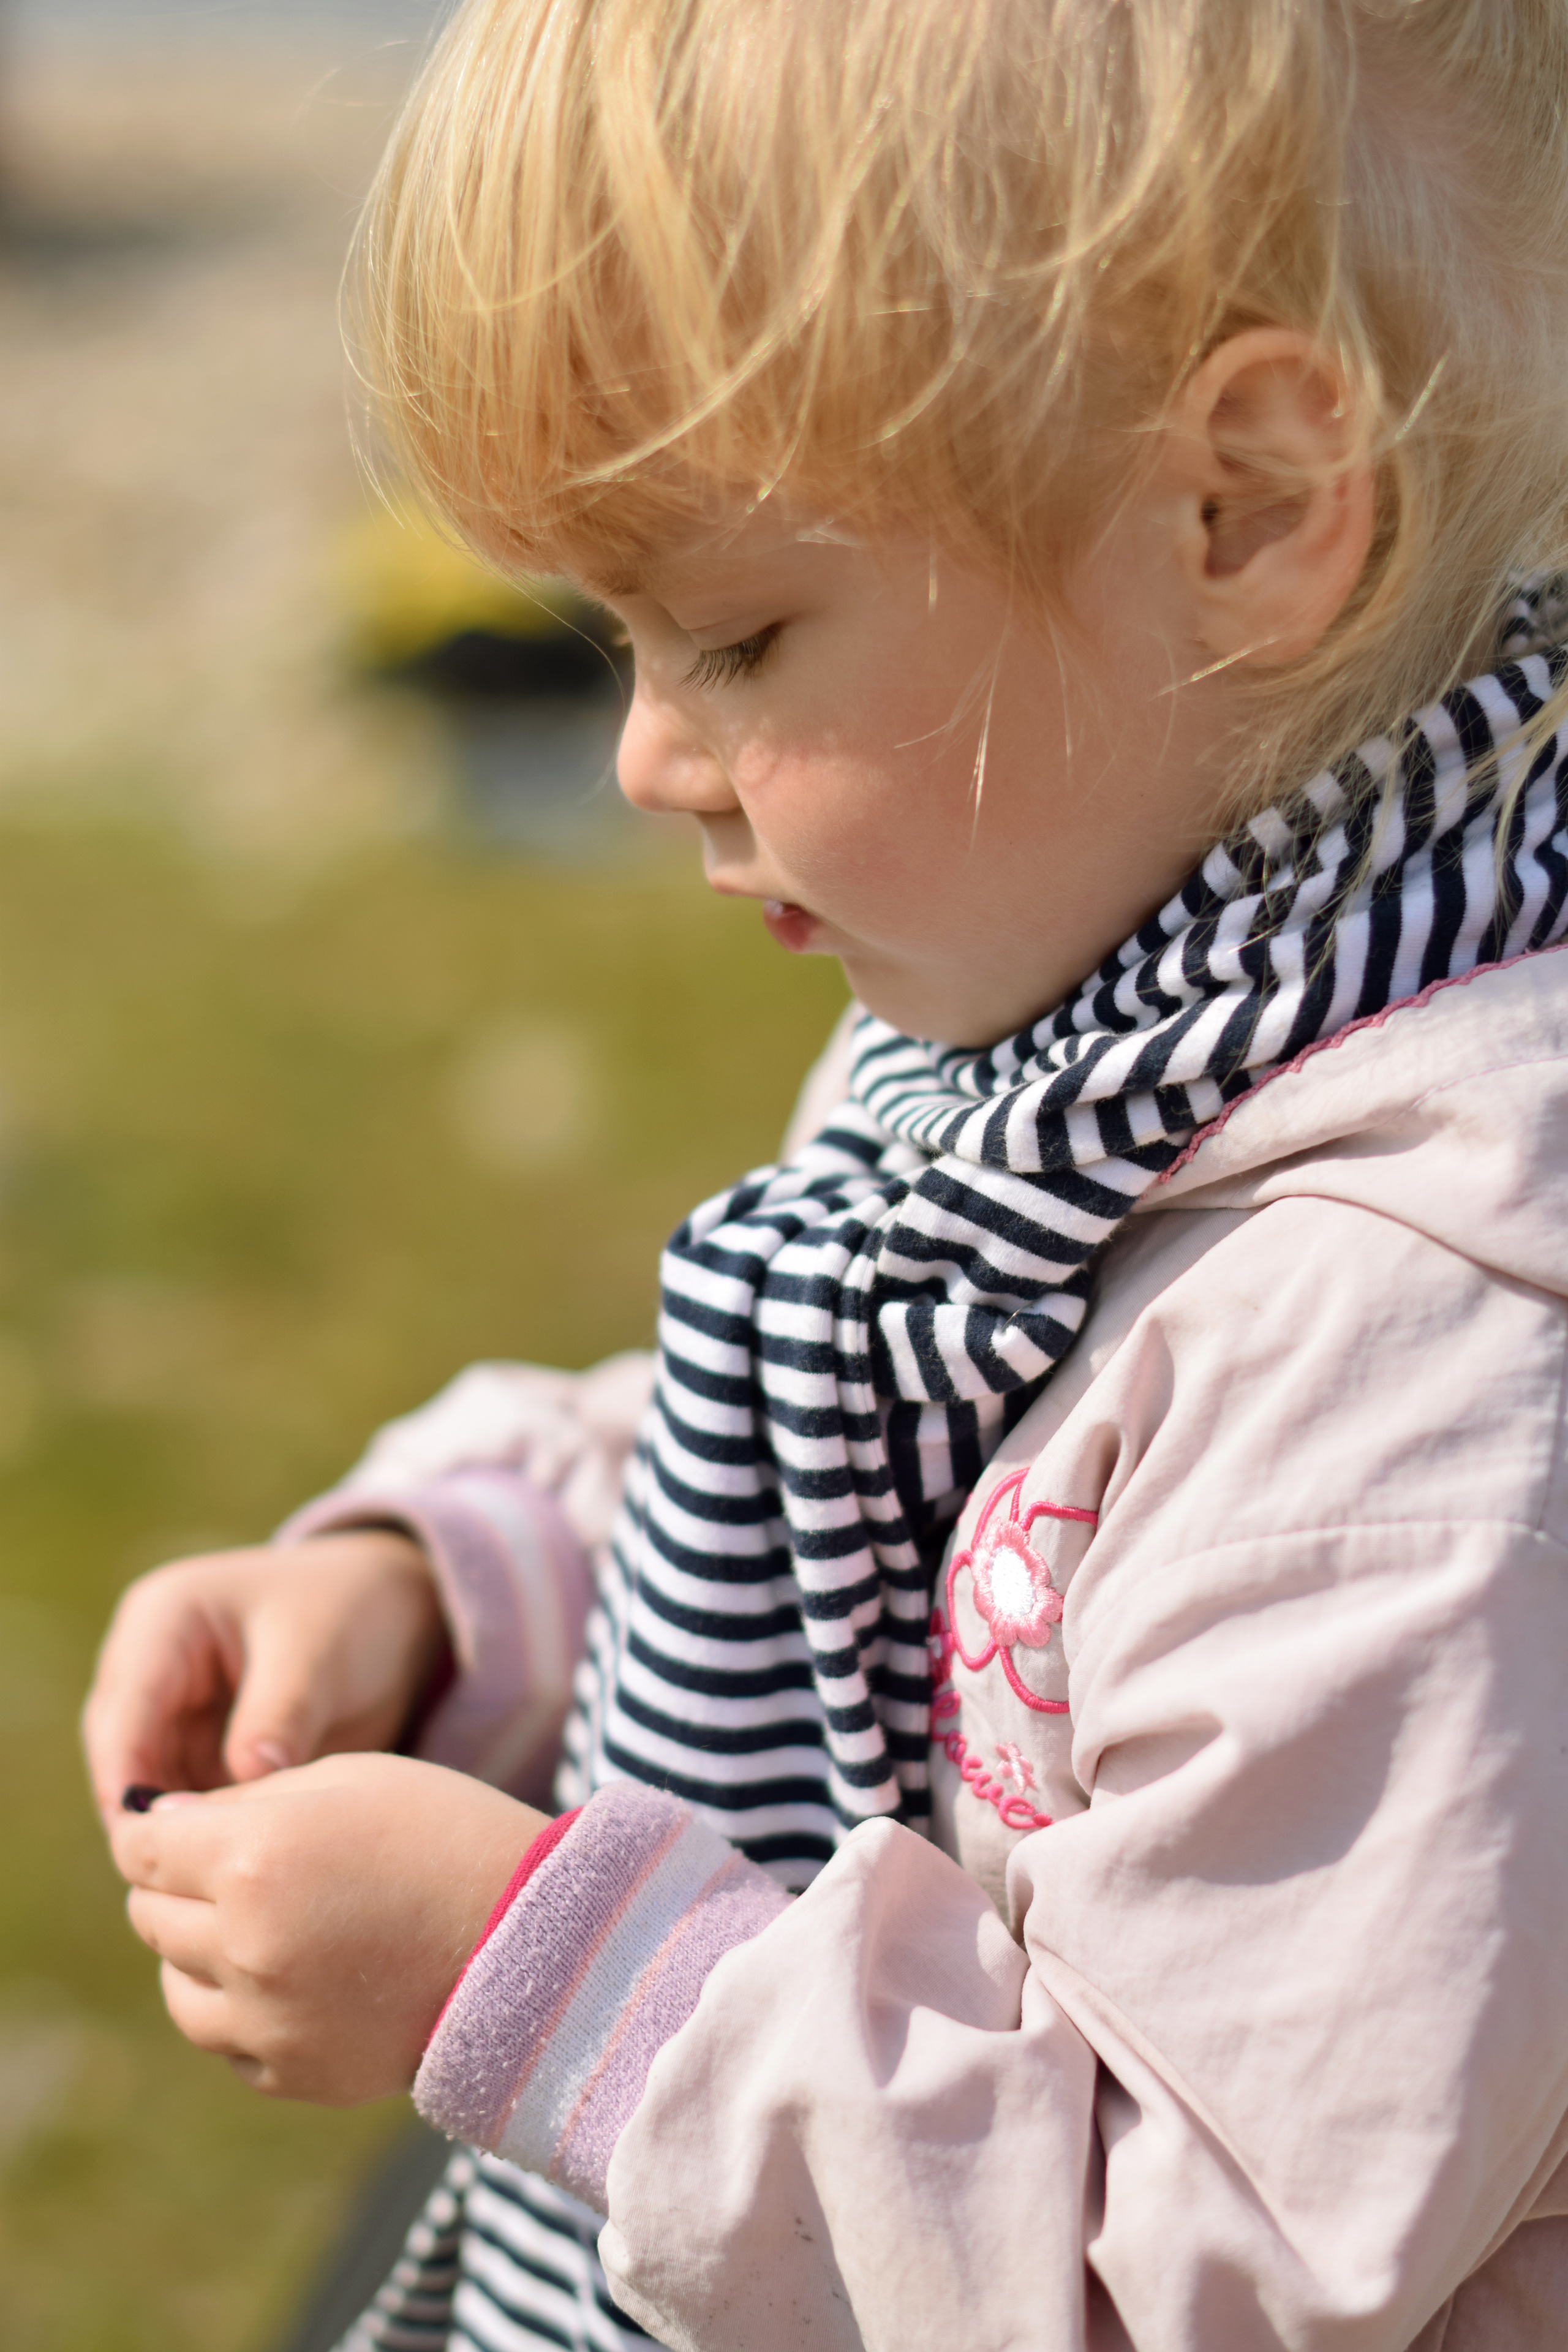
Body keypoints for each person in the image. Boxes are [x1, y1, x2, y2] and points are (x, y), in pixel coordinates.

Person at [81, 1, 1568, 2345]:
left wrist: (547, 1985)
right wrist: (461, 1581)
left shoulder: (1421, 1380)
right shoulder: (1077, 1052)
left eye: (743, 635)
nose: (655, 754)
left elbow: (1194, 2284)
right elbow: (883, 1514)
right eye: (621, 642)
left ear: (1250, 511)